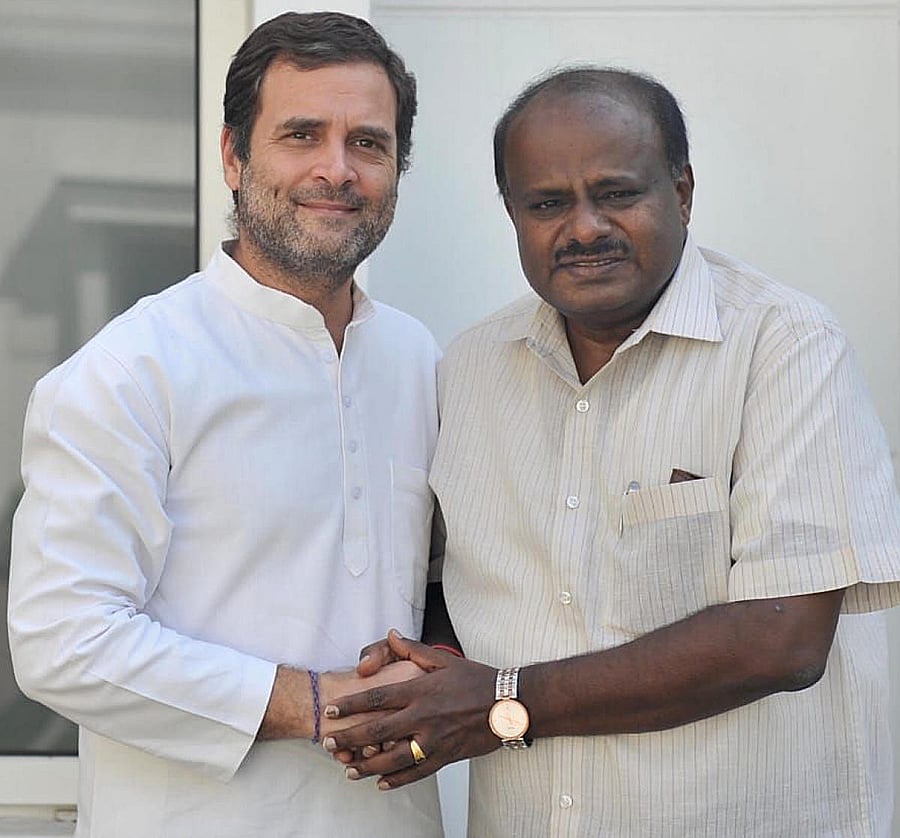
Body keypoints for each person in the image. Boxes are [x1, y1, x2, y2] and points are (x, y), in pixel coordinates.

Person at [322, 66, 900, 837]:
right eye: (547, 204)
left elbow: (783, 636)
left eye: (617, 193)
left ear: (683, 192)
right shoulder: (470, 370)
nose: (584, 227)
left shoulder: (785, 348)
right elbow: (457, 592)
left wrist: (503, 703)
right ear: (513, 216)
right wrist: (415, 678)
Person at [7, 12, 444, 838]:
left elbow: (435, 586)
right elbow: (61, 640)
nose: (336, 169)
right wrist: (309, 704)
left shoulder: (417, 359)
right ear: (234, 157)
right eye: (302, 134)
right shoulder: (133, 370)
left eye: (369, 144)